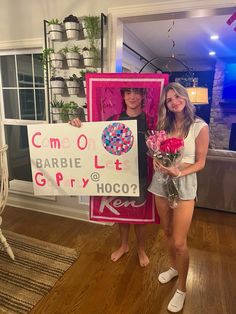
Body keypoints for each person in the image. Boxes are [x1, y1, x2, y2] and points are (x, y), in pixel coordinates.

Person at [70, 88, 154, 267]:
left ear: (143, 96)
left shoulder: (150, 121)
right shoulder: (113, 120)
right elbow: (93, 138)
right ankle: (124, 246)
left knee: (140, 216)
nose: (132, 96)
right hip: (118, 175)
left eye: (136, 93)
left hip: (141, 175)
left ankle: (141, 249)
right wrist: (77, 126)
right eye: (128, 93)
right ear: (123, 96)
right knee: (122, 214)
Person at [148, 82, 209, 312]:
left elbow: (201, 162)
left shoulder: (199, 126)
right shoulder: (164, 125)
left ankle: (182, 288)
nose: (174, 101)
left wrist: (179, 171)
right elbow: (159, 152)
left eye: (177, 96)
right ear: (166, 104)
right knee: (166, 232)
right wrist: (157, 160)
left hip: (184, 184)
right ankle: (173, 268)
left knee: (180, 242)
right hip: (161, 183)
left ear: (185, 97)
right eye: (169, 99)